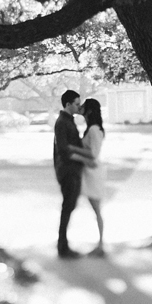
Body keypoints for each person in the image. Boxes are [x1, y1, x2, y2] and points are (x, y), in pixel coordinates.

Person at [69, 98, 109, 256]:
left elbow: (93, 154)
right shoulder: (91, 128)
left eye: (84, 106)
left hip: (93, 172)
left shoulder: (93, 129)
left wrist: (74, 151)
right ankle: (99, 245)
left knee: (96, 208)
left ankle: (100, 245)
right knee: (93, 207)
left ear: (90, 111)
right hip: (88, 171)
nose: (81, 108)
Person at [53, 89, 83, 258]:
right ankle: (63, 247)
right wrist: (85, 158)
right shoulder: (62, 122)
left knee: (70, 207)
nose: (79, 107)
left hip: (73, 170)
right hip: (67, 170)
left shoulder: (68, 121)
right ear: (68, 104)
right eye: (77, 104)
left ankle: (63, 245)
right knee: (67, 208)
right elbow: (64, 150)